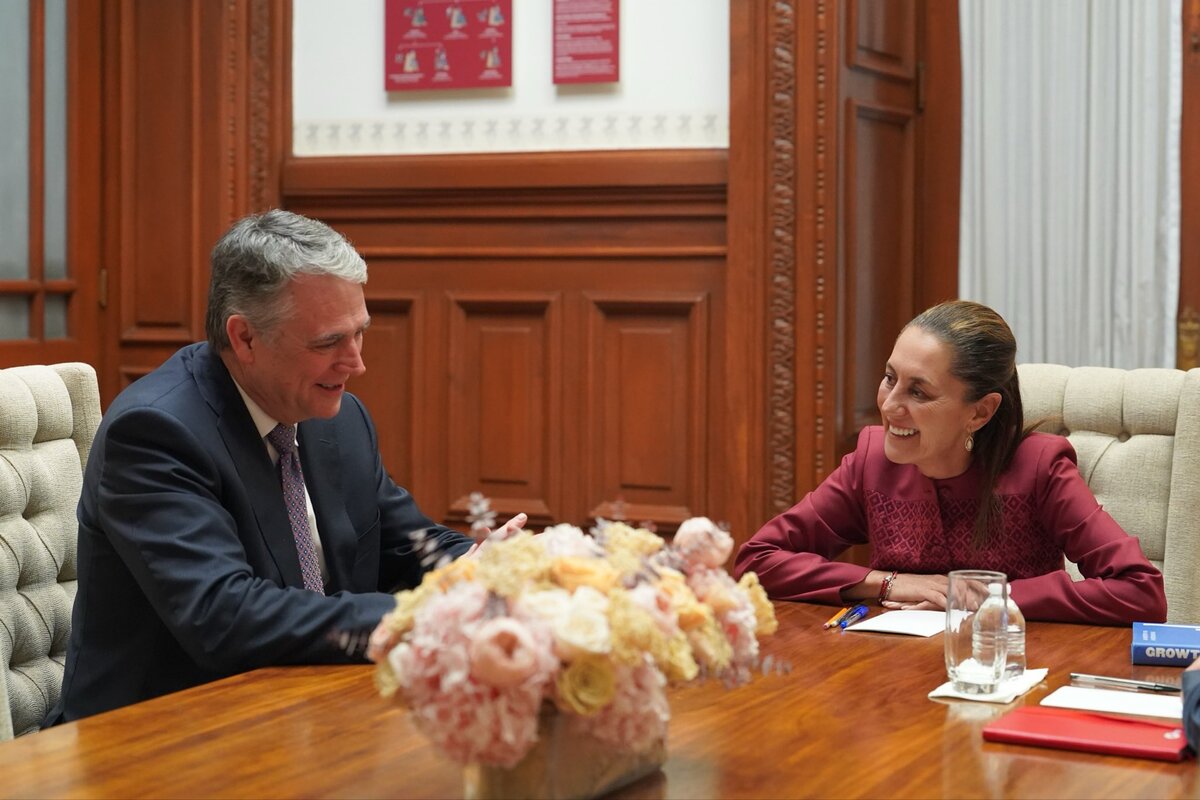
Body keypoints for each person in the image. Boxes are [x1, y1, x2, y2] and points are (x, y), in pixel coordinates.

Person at [49, 209, 524, 723]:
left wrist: (489, 566)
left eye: (359, 333)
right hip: (149, 740)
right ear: (245, 338)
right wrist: (425, 616)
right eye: (328, 343)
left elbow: (403, 545)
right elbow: (226, 618)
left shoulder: (335, 417)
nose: (356, 362)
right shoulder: (156, 434)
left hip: (302, 715)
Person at [734, 300, 1166, 625]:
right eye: (890, 378)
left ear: (980, 412)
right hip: (888, 684)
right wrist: (886, 582)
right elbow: (757, 560)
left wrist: (990, 597)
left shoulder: (1040, 467)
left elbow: (1141, 592)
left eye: (918, 392)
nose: (889, 405)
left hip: (1008, 674)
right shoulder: (870, 459)